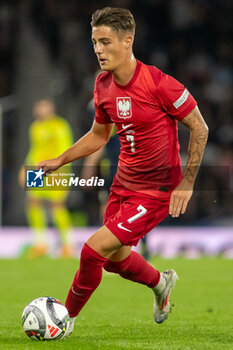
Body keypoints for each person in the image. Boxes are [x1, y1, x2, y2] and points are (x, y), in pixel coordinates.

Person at [37, 7, 208, 333]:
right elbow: (99, 134)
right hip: (122, 185)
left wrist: (187, 182)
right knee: (115, 261)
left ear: (127, 41)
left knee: (92, 250)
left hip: (156, 191)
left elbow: (200, 128)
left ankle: (64, 319)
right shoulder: (102, 86)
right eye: (94, 43)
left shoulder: (160, 84)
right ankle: (160, 283)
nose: (98, 50)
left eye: (105, 42)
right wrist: (61, 160)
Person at [19, 100, 74, 257]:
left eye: (44, 107)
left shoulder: (60, 126)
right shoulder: (35, 127)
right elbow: (34, 150)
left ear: (51, 109)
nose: (40, 110)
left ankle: (67, 245)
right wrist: (25, 166)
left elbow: (66, 148)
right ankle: (40, 243)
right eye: (38, 107)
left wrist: (61, 168)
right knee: (32, 202)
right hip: (37, 170)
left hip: (56, 170)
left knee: (57, 205)